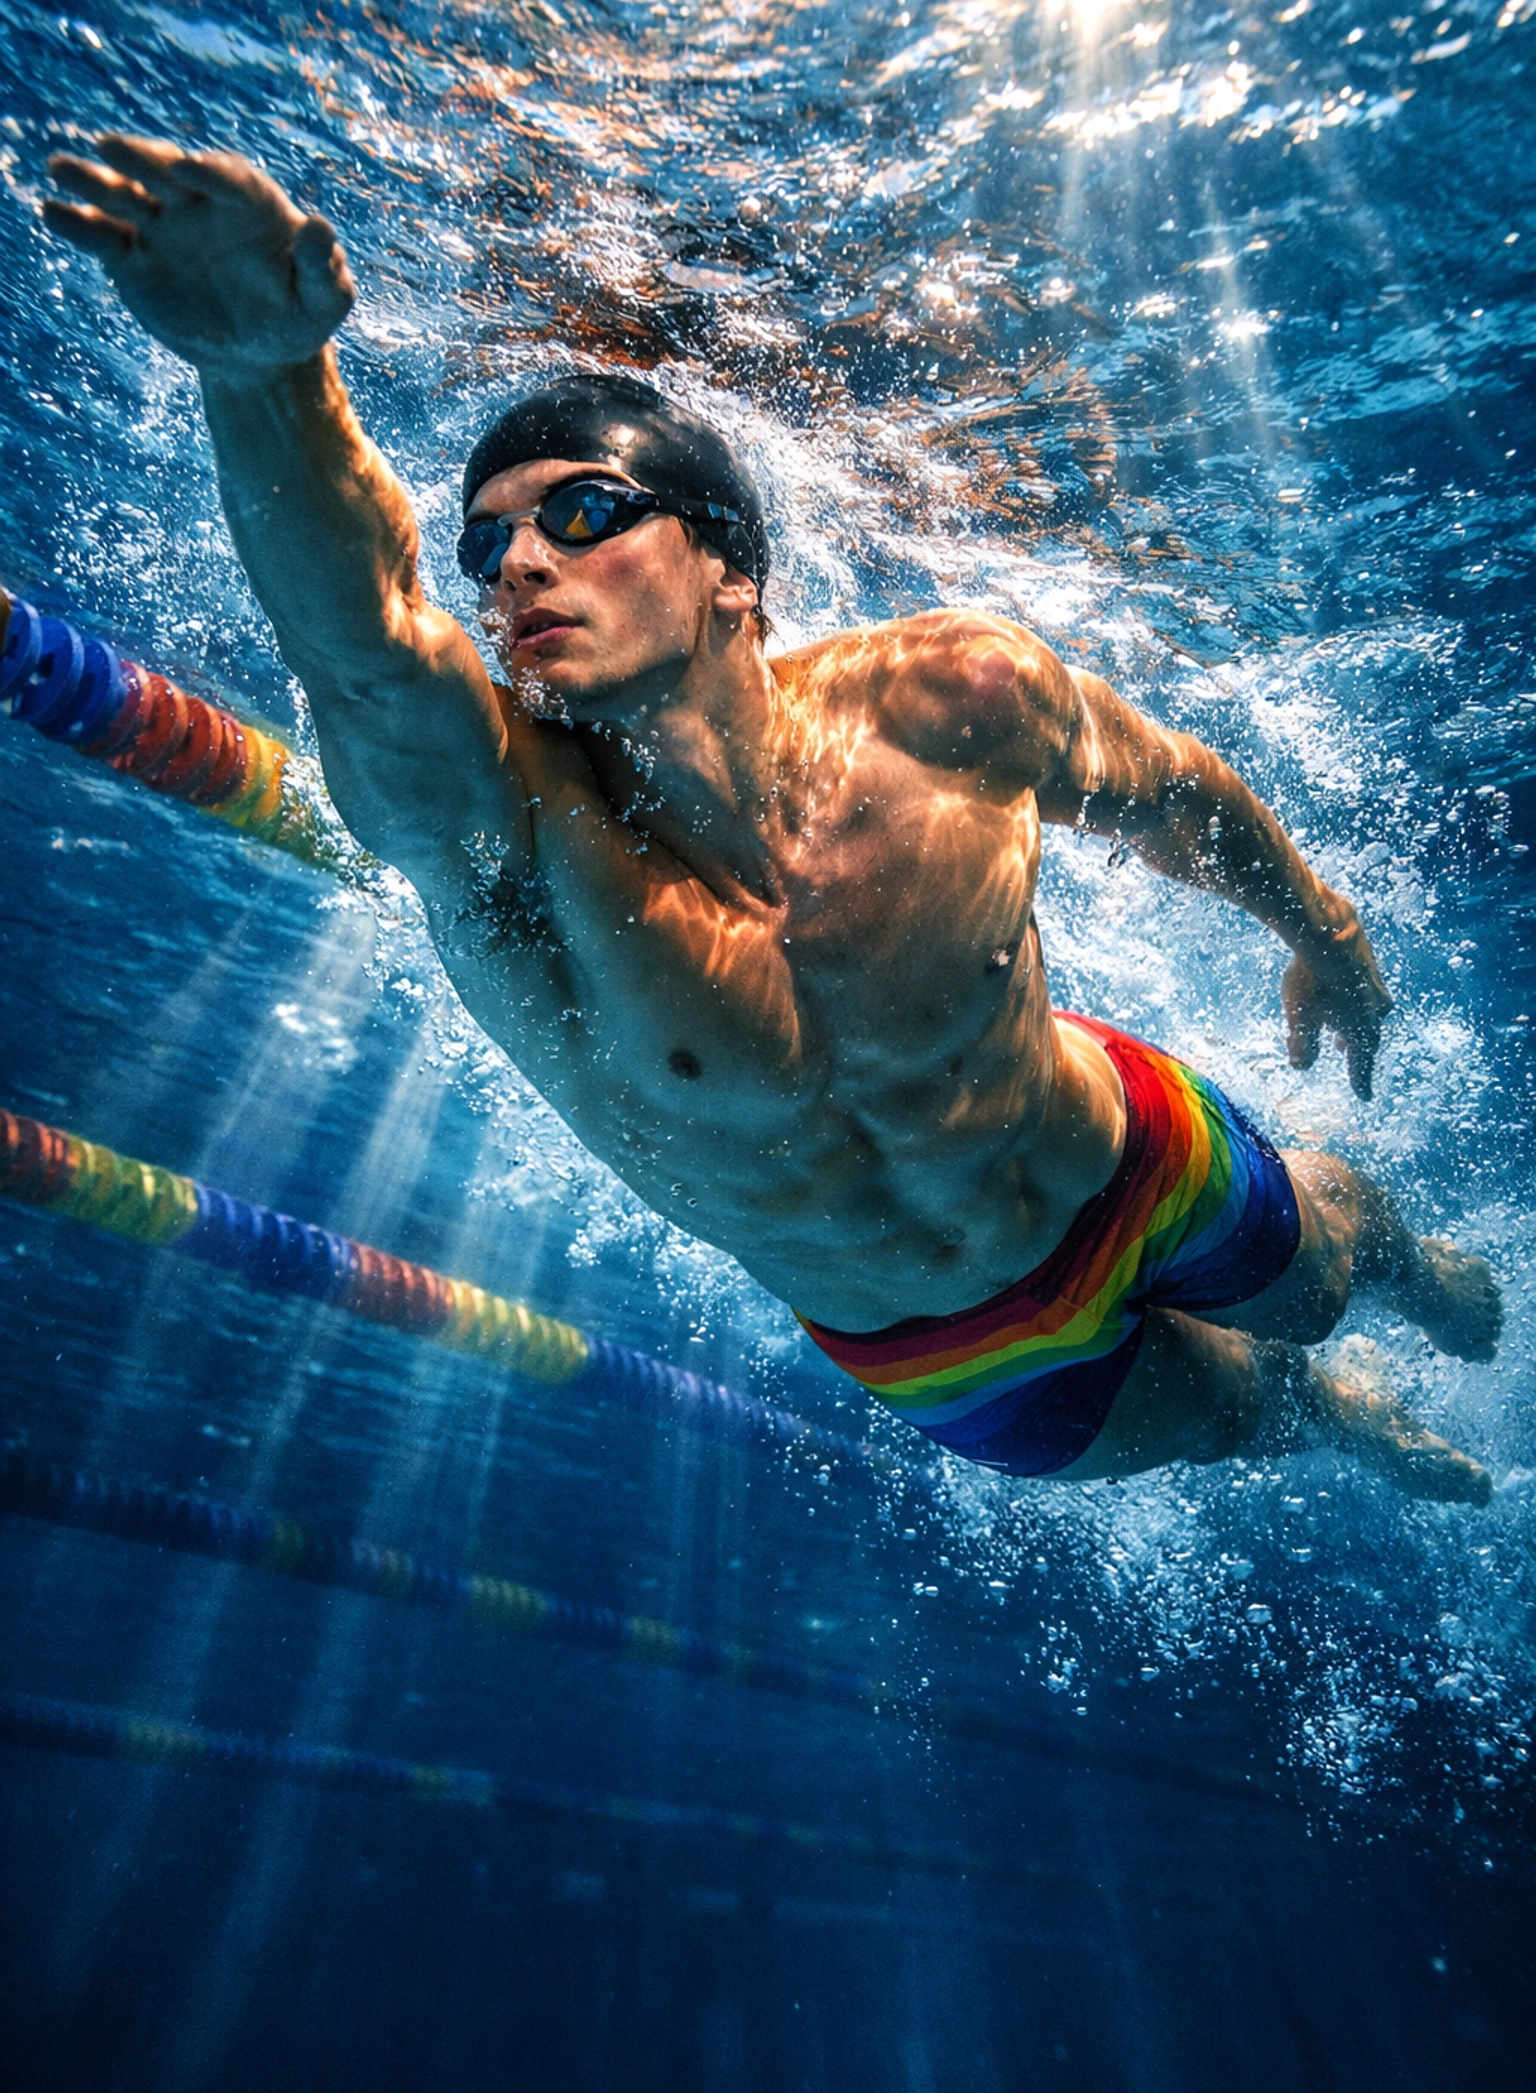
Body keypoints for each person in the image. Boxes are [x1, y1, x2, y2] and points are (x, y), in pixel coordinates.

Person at [42, 134, 1502, 1506]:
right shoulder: (516, 830)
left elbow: (1172, 793)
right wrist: (267, 378)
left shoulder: (951, 699)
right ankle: (1346, 1420)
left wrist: (1326, 929)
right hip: (952, 1349)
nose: (518, 568)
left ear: (730, 568)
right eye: (490, 544)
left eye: (584, 514)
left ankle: (1420, 1270)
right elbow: (363, 644)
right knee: (1258, 1413)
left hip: (1123, 1157)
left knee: (1325, 1278)